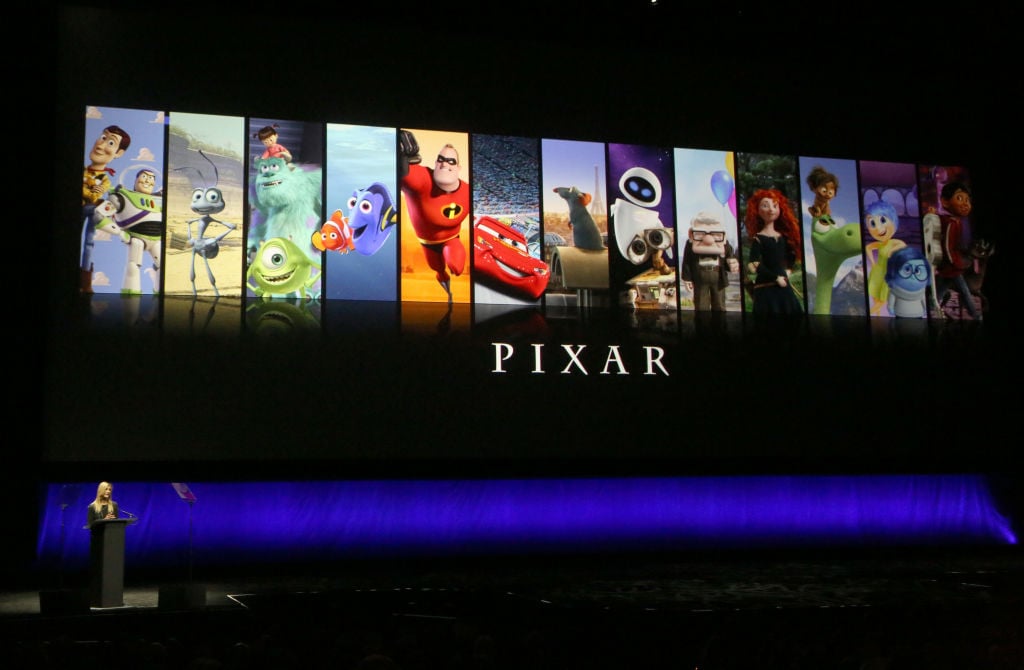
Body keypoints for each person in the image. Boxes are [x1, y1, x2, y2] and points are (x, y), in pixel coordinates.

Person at [399, 130, 469, 303]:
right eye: (441, 159)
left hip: (451, 239)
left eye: (451, 161)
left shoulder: (467, 191)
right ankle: (448, 293)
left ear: (458, 167)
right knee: (437, 269)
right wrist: (402, 159)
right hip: (427, 242)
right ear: (436, 163)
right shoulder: (425, 179)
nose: (445, 164)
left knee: (456, 265)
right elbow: (408, 177)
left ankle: (449, 287)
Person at [81, 125, 130, 293]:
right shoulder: (85, 172)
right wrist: (90, 193)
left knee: (89, 242)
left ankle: (85, 282)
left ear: (118, 153)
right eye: (103, 138)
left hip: (91, 209)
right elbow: (91, 194)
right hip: (86, 208)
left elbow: (95, 196)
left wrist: (91, 194)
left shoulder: (105, 180)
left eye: (110, 143)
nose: (101, 145)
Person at [743, 188, 803, 314]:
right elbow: (754, 264)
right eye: (765, 206)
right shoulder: (758, 238)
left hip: (783, 283)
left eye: (775, 206)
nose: (771, 209)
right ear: (757, 210)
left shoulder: (783, 237)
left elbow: (791, 254)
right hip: (766, 286)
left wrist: (789, 269)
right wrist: (775, 278)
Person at [680, 210, 738, 311]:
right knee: (701, 306)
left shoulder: (724, 244)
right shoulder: (690, 245)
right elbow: (687, 261)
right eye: (700, 233)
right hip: (699, 277)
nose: (708, 239)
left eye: (715, 234)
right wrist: (687, 278)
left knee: (719, 305)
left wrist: (732, 264)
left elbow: (730, 258)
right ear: (691, 234)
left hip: (718, 277)